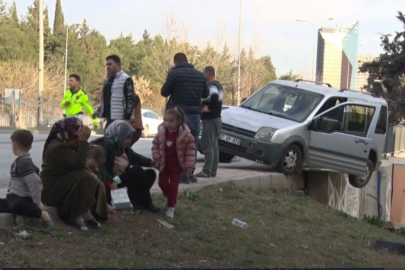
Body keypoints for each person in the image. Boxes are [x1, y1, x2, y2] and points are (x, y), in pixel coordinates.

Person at [41, 118, 108, 231]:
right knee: (84, 176)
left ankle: (83, 210)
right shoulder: (57, 147)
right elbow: (80, 163)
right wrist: (83, 141)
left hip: (60, 185)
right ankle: (73, 215)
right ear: (66, 134)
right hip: (50, 190)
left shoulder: (66, 144)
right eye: (75, 137)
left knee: (89, 176)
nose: (77, 141)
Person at [161, 52, 210, 183]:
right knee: (191, 144)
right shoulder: (200, 75)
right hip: (194, 114)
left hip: (177, 114)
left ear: (176, 62)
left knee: (176, 143)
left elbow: (164, 92)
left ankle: (179, 173)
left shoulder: (174, 74)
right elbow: (206, 93)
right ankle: (189, 173)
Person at [92, 120, 160, 213]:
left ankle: (136, 199)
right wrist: (111, 180)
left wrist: (152, 163)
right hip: (114, 180)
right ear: (118, 134)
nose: (129, 141)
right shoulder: (106, 147)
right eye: (127, 137)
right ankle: (146, 202)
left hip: (123, 178)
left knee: (150, 173)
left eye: (130, 138)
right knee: (136, 170)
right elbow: (100, 166)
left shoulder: (122, 147)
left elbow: (136, 158)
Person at [0, 130, 54, 228]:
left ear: (15, 145)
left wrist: (37, 203)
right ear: (30, 146)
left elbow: (36, 183)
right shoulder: (20, 161)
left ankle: (43, 214)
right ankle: (20, 214)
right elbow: (13, 181)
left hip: (23, 199)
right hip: (13, 197)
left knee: (18, 206)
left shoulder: (24, 163)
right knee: (7, 204)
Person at [152, 107, 195, 218]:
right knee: (162, 183)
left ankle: (171, 207)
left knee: (174, 186)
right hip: (164, 164)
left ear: (179, 121)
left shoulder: (186, 135)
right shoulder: (161, 132)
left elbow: (190, 151)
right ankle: (169, 197)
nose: (168, 123)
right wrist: (156, 158)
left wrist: (189, 165)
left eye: (171, 121)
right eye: (166, 120)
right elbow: (155, 145)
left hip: (176, 166)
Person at [195, 66, 223, 178]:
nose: (203, 75)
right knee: (214, 147)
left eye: (204, 73)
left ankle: (206, 171)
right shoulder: (219, 85)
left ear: (208, 74)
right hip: (217, 119)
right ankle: (212, 171)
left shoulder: (212, 86)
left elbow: (214, 96)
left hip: (210, 119)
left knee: (207, 145)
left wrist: (209, 108)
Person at [97, 55, 135, 130]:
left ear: (118, 64)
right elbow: (106, 98)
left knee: (118, 141)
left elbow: (130, 100)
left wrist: (127, 119)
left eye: (110, 64)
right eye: (107, 65)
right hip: (109, 119)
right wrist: (99, 110)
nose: (107, 67)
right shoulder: (108, 80)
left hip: (121, 120)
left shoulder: (126, 79)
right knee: (108, 140)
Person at [87, 144, 117, 214]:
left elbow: (112, 179)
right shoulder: (88, 171)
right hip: (94, 195)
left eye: (90, 158)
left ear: (98, 160)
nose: (87, 160)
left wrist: (118, 189)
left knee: (109, 184)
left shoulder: (102, 169)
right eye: (87, 157)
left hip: (104, 195)